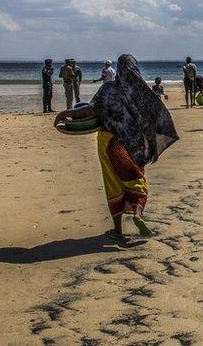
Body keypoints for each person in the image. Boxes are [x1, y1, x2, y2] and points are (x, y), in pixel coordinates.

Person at [55, 54, 178, 241]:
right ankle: (137, 214)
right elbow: (159, 116)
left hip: (109, 142)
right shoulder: (143, 92)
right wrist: (153, 146)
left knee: (113, 183)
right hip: (134, 144)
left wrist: (66, 113)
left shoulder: (108, 88)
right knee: (136, 180)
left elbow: (90, 110)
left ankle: (118, 230)